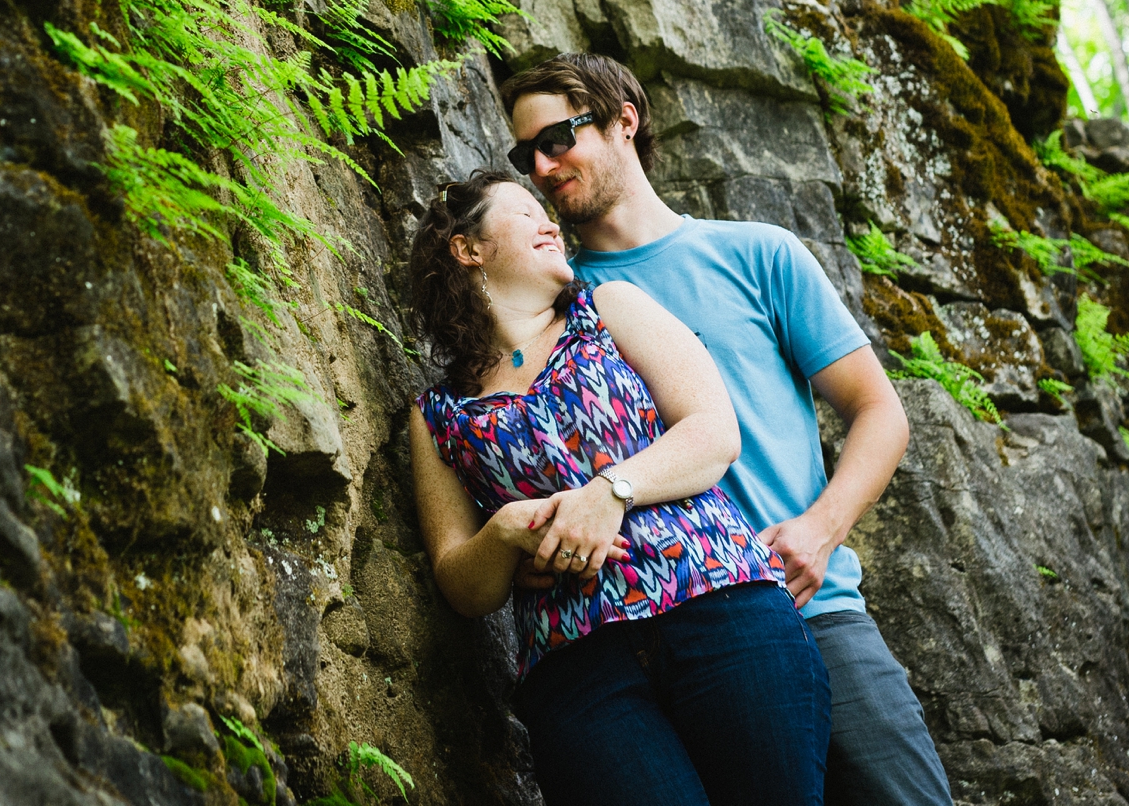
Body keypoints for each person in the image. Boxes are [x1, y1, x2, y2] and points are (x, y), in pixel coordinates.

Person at [498, 53, 952, 806]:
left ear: (623, 122)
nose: (542, 167)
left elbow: (879, 411)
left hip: (815, 605)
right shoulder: (557, 303)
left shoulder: (756, 253)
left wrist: (820, 529)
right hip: (665, 632)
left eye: (557, 139)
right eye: (525, 156)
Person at [405, 170, 831, 806]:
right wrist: (503, 533)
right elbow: (463, 584)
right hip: (578, 670)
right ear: (468, 249)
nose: (551, 223)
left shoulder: (609, 308)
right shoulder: (436, 412)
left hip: (722, 611)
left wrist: (609, 493)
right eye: (525, 214)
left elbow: (714, 433)